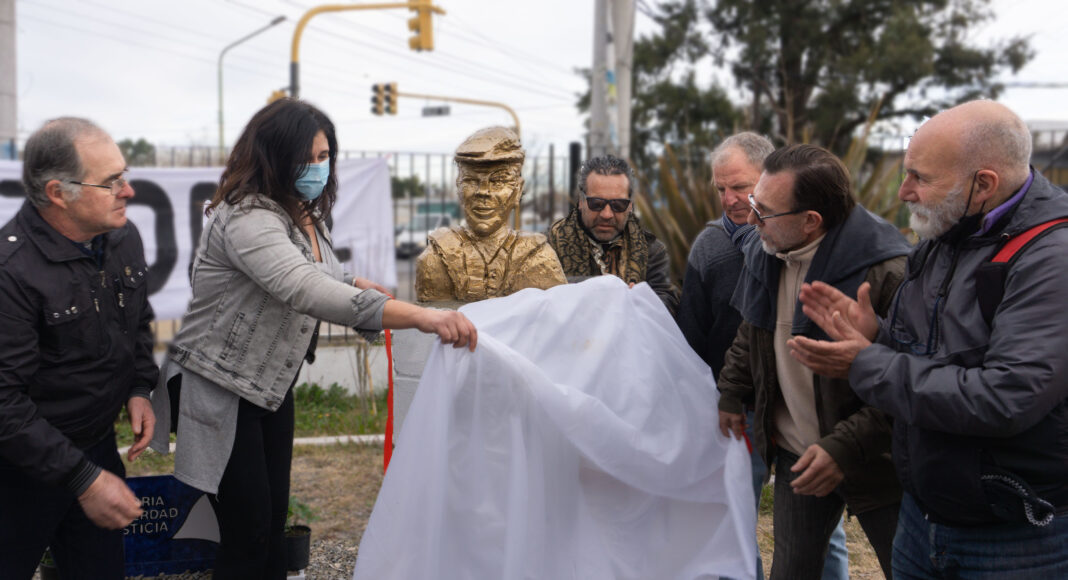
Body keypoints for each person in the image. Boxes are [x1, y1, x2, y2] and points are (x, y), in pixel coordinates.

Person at [149, 98, 477, 579]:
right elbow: (302, 286)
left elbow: (324, 273)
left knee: (271, 521)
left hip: (268, 384)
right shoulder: (247, 217)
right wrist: (420, 317)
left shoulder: (303, 214)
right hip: (217, 385)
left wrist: (355, 284)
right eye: (308, 158)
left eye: (325, 157)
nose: (319, 168)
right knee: (248, 528)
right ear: (275, 156)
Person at [790, 100, 1068, 577]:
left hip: (1017, 538)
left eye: (920, 177)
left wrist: (866, 362)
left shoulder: (1052, 259)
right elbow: (929, 357)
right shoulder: (944, 236)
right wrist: (875, 338)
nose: (903, 192)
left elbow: (1005, 397)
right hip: (924, 520)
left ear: (983, 184)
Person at [718, 144, 909, 579]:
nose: (751, 219)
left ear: (810, 222)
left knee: (906, 568)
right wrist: (732, 390)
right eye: (753, 203)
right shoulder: (765, 249)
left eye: (764, 211)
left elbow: (910, 384)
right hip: (796, 454)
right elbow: (752, 330)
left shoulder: (888, 272)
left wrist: (842, 447)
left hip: (877, 463)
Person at [677, 133, 849, 580]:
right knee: (735, 517)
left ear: (771, 181)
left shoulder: (813, 242)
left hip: (799, 407)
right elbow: (695, 332)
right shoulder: (709, 247)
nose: (732, 200)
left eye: (742, 187)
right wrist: (714, 396)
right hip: (739, 412)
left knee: (819, 526)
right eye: (721, 189)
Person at [0, 118, 157, 578]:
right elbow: (3, 403)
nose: (127, 192)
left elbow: (137, 322)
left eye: (123, 176)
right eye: (111, 183)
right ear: (57, 192)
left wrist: (140, 386)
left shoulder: (121, 238)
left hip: (95, 447)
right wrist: (83, 480)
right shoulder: (11, 270)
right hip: (16, 469)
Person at [415, 126, 566, 302]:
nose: (483, 192)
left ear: (518, 190)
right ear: (458, 187)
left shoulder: (539, 259)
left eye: (498, 181)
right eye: (471, 180)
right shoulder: (436, 259)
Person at [548, 154, 680, 314]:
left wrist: (641, 299)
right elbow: (538, 290)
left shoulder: (652, 251)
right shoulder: (549, 247)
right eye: (597, 203)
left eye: (618, 204)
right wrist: (609, 290)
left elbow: (668, 302)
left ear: (630, 206)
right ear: (581, 202)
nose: (607, 214)